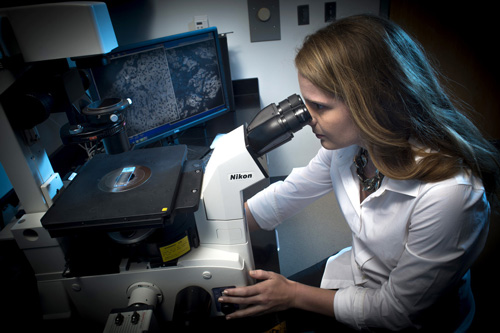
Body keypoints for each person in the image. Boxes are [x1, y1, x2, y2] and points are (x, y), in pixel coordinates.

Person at [217, 14, 500, 332]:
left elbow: (397, 312)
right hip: (359, 274)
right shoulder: (350, 147)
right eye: (305, 104)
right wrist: (211, 228)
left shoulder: (450, 194)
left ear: (375, 103)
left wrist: (292, 294)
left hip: (413, 321)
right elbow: (285, 196)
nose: (307, 119)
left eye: (320, 107)